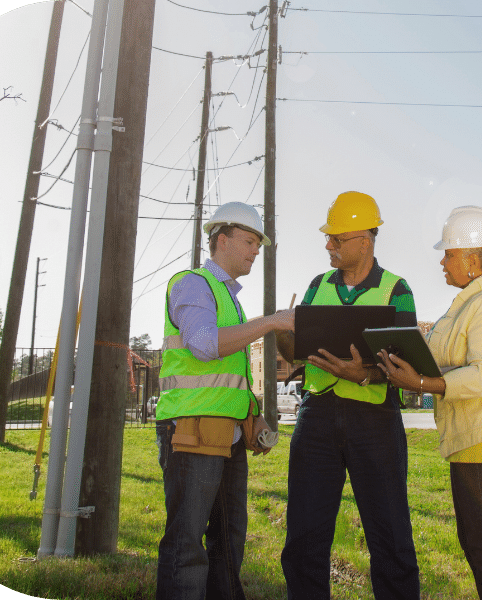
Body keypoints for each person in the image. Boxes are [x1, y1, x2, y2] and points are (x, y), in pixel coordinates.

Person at [377, 205, 482, 600]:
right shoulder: (469, 303)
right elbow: (444, 358)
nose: (442, 261)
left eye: (448, 254)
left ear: (471, 259)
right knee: (479, 546)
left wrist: (419, 381)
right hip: (476, 439)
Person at [275, 191, 421, 599]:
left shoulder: (397, 290)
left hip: (374, 423)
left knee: (390, 535)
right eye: (329, 238)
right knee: (304, 535)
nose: (328, 246)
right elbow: (295, 353)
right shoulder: (317, 286)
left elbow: (405, 363)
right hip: (316, 419)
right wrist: (283, 335)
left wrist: (366, 373)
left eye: (337, 239)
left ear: (365, 241)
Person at [152, 202, 295, 600]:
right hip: (191, 432)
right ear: (221, 240)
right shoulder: (193, 284)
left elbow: (229, 378)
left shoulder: (230, 299)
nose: (254, 251)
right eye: (249, 241)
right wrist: (272, 321)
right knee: (187, 541)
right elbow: (203, 346)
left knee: (229, 539)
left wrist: (254, 418)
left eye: (258, 245)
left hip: (225, 435)